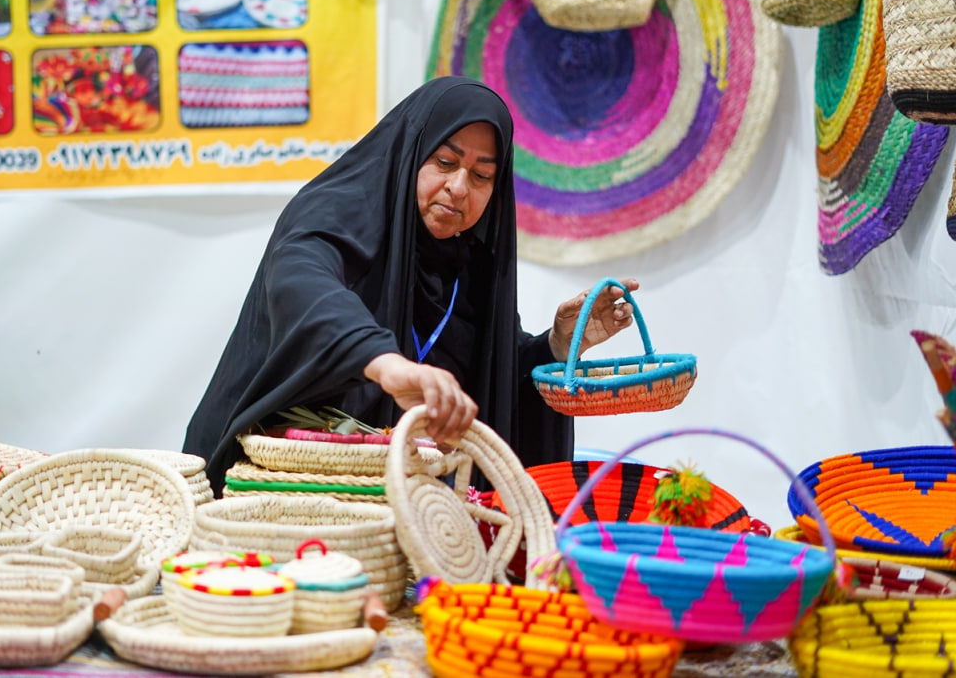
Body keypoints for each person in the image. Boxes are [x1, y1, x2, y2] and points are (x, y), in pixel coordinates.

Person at [182, 76, 639, 493]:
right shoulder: (332, 215)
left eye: (482, 176)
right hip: (273, 492)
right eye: (444, 161)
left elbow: (491, 377)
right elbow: (305, 288)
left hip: (393, 509)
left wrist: (558, 346)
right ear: (411, 151)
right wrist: (385, 365)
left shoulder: (471, 265)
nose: (459, 187)